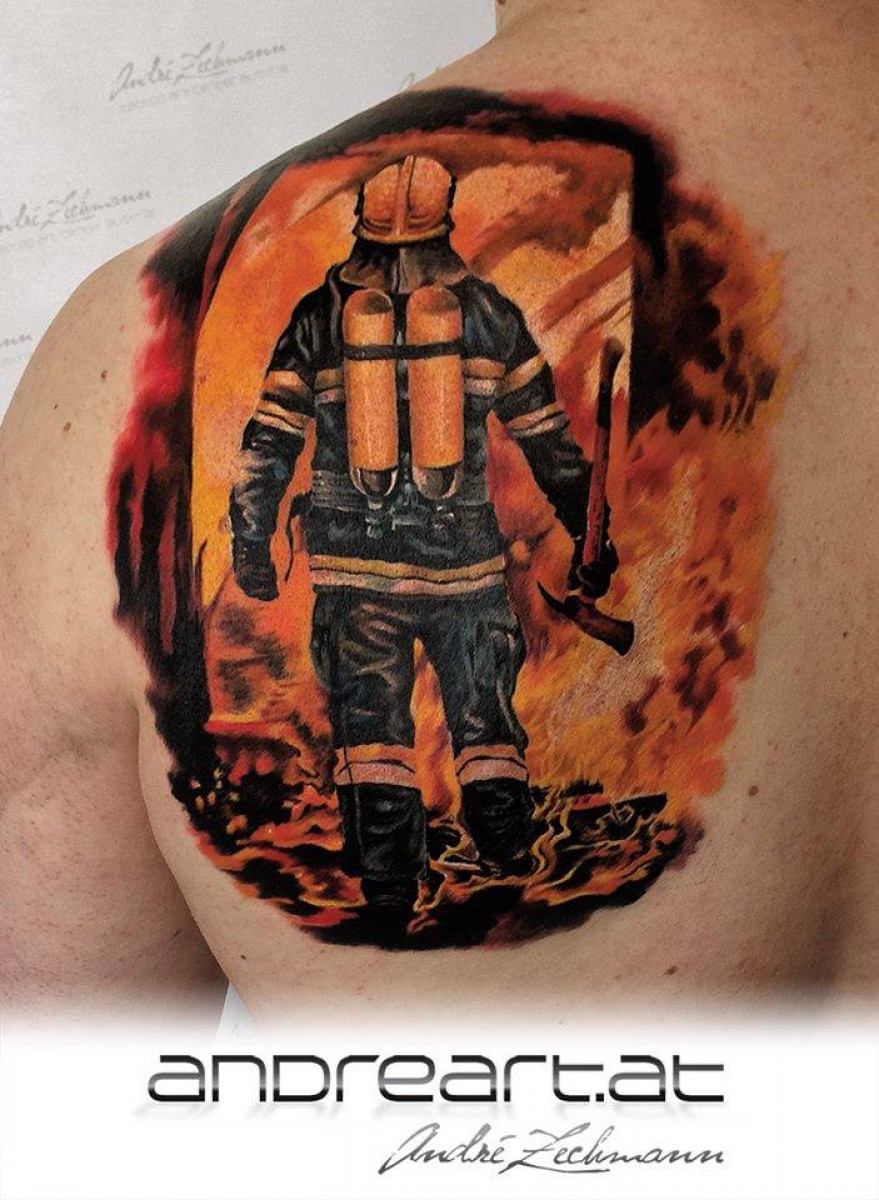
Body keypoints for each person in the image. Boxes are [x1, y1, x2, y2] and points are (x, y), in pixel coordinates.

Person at [1, 0, 877, 1020]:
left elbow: (60, 1095)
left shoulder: (153, 348)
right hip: (466, 566)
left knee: (371, 726)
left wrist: (253, 545)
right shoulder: (486, 312)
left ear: (368, 232)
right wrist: (584, 528)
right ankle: (505, 849)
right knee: (487, 720)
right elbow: (549, 437)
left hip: (356, 573)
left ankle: (389, 872)